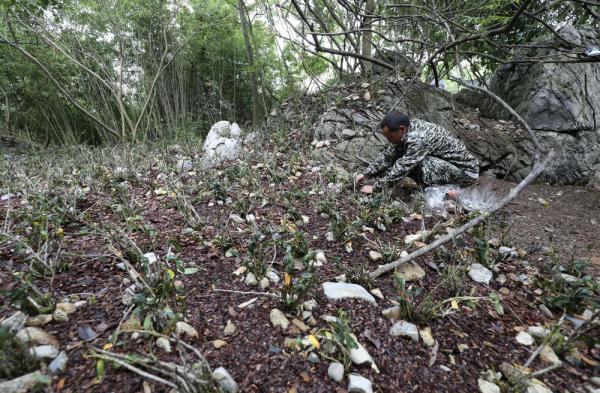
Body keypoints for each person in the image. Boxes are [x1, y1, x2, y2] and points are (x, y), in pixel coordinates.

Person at [356, 111, 479, 197]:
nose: (390, 141)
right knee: (404, 157)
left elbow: (402, 168)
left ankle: (445, 192)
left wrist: (376, 188)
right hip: (449, 165)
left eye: (391, 137)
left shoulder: (418, 138)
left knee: (422, 163)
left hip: (466, 173)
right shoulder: (408, 129)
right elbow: (388, 156)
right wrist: (366, 174)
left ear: (402, 129)